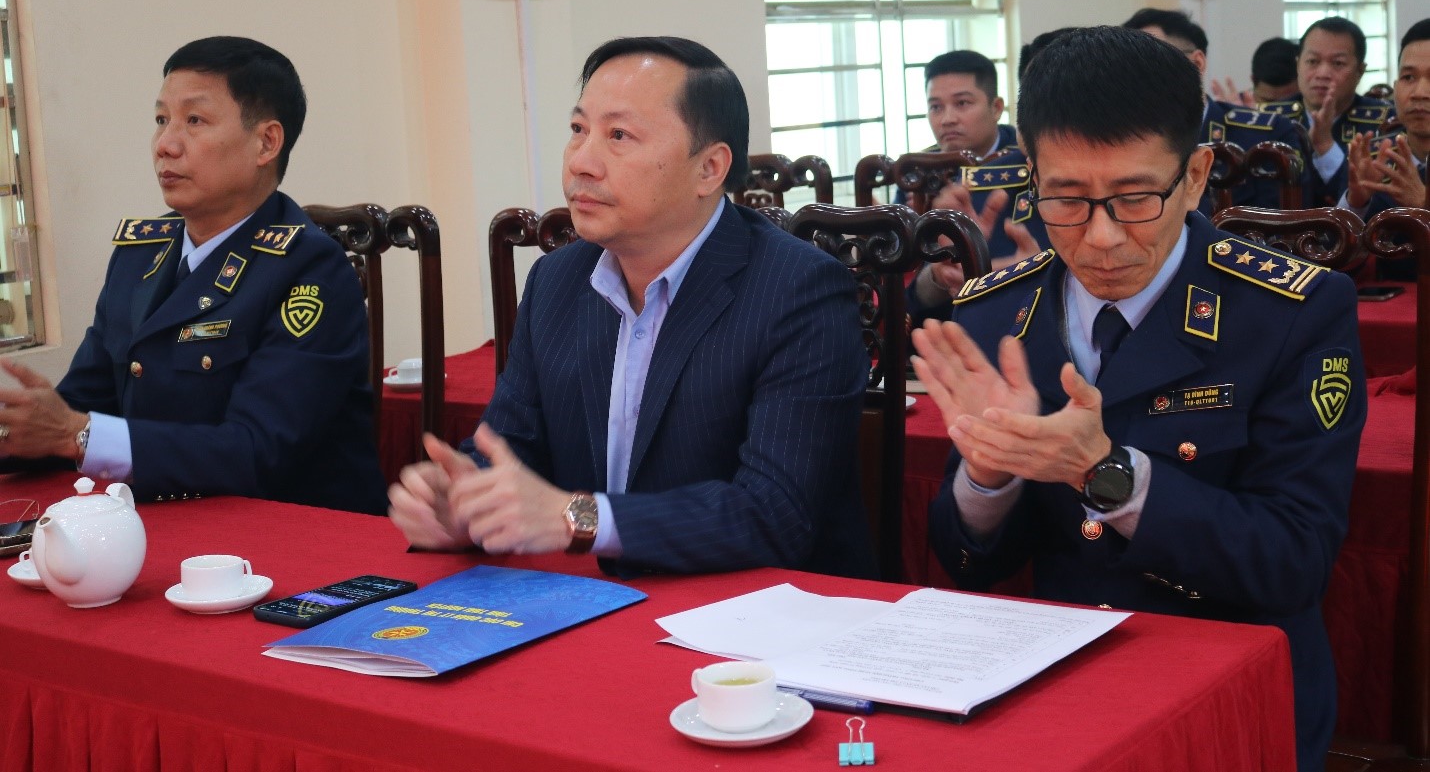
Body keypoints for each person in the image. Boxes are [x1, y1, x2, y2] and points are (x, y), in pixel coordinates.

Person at [918, 25, 1364, 771]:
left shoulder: (1290, 312)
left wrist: (1104, 472)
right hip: (1055, 688)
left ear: (1195, 174)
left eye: (1134, 198)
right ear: (1031, 174)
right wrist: (990, 473)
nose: (1101, 238)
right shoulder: (996, 312)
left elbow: (1294, 561)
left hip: (1227, 690)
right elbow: (970, 564)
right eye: (1066, 198)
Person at [388, 36, 874, 578]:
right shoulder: (557, 279)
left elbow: (774, 512)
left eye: (619, 135)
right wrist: (465, 499)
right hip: (603, 598)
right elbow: (514, 445)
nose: (581, 162)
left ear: (710, 168)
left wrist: (579, 519)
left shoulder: (799, 290)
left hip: (755, 607)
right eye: (578, 129)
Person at [0, 37, 386, 513]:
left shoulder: (310, 268)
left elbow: (257, 451)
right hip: (163, 519)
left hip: (290, 533)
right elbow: (79, 405)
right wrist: (18, 431)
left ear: (266, 142)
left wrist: (77, 435)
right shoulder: (140, 254)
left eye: (195, 121)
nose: (166, 145)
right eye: (161, 120)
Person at [906, 50, 1045, 326]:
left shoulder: (1025, 158)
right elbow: (911, 293)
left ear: (996, 108)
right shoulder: (918, 173)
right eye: (936, 107)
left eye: (962, 103)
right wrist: (938, 275)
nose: (947, 119)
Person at [1123, 8, 1312, 210]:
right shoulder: (1124, 142)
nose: (1140, 78)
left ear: (1196, 63)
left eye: (1150, 62)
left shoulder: (1265, 136)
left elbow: (1289, 220)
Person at [1263, 16, 1393, 205]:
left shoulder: (1385, 123)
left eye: (1338, 63)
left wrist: (1325, 146)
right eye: (1312, 61)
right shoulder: (1270, 119)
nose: (1323, 74)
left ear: (1360, 71)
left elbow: (1377, 204)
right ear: (1298, 65)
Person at [1340, 19, 1430, 280]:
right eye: (1408, 77)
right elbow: (1333, 263)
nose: (1419, 93)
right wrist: (1356, 204)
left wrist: (1423, 208)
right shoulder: (1376, 158)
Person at [1209, 36, 1301, 107]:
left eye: (1287, 102)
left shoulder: (1308, 109)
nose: (1278, 111)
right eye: (1268, 103)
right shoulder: (1234, 110)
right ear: (1253, 80)